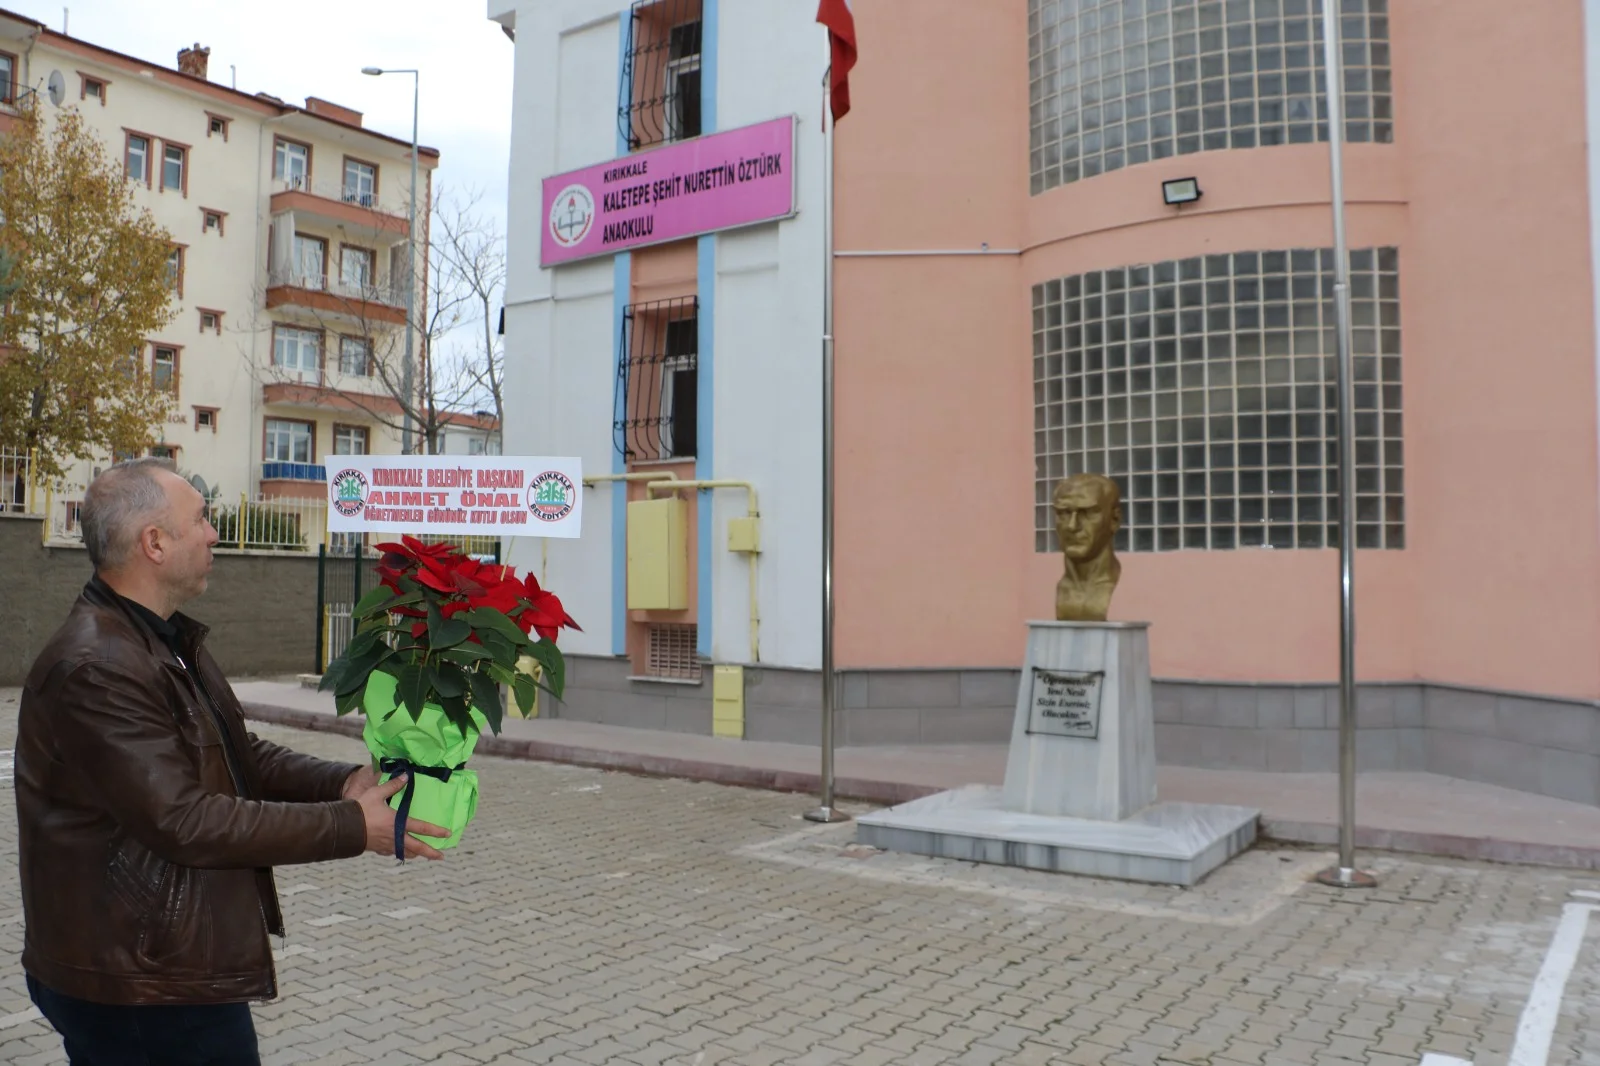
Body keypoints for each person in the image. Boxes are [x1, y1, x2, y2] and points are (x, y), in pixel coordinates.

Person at [14, 458, 450, 1065]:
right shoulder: (98, 667)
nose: (215, 533)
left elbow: (235, 753)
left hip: (159, 963)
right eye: (202, 519)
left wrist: (345, 780)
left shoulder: (158, 638)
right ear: (155, 543)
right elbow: (184, 820)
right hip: (138, 983)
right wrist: (353, 827)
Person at [1053, 473, 1123, 622]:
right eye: (1063, 513)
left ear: (1114, 520)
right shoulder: (1061, 590)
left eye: (1088, 513)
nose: (1072, 526)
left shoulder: (1118, 586)